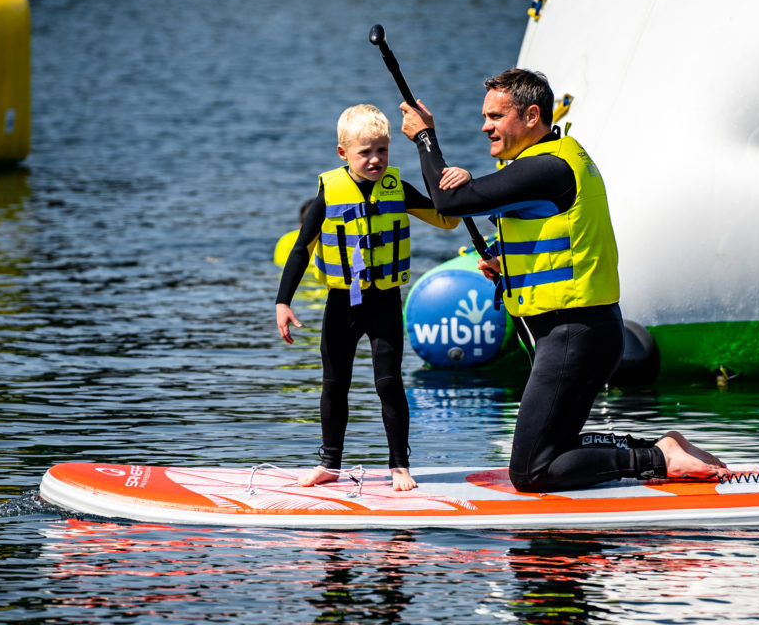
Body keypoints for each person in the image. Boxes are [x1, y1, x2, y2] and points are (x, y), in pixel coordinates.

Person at [401, 69, 729, 492]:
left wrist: (425, 139)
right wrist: (510, 265)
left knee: (531, 472)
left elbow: (450, 204)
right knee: (549, 449)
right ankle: (661, 449)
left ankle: (656, 458)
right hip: (583, 332)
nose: (485, 126)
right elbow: (562, 240)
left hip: (574, 335)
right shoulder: (557, 160)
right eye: (486, 116)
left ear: (532, 115)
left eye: (496, 116)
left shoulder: (548, 168)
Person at [274, 104, 469, 491]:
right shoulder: (329, 192)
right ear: (343, 153)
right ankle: (329, 463)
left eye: (382, 150)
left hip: (384, 302)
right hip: (341, 304)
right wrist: (283, 301)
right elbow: (301, 249)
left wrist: (456, 182)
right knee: (335, 384)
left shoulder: (398, 187)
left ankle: (399, 466)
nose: (375, 159)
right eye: (365, 152)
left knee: (389, 382)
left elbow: (448, 219)